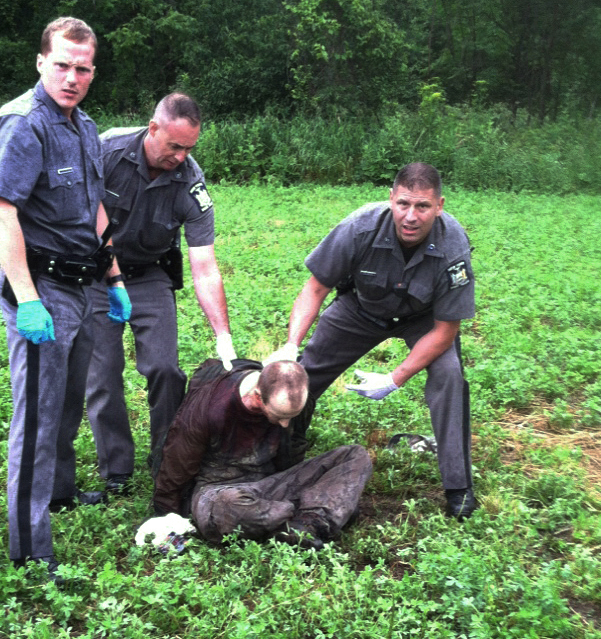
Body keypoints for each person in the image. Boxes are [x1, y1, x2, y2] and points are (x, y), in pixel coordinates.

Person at [0, 17, 131, 578]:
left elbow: (95, 207)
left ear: (93, 71)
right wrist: (26, 298)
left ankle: (62, 492)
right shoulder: (24, 124)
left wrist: (114, 277)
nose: (72, 77)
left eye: (83, 68)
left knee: (70, 401)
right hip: (41, 287)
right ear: (41, 61)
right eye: (63, 64)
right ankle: (28, 549)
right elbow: (2, 212)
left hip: (84, 284)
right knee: (38, 418)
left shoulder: (83, 126)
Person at [267, 163, 478, 520]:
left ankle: (458, 486)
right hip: (361, 310)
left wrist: (395, 378)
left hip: (423, 320)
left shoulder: (453, 247)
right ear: (391, 199)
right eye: (404, 204)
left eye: (423, 207)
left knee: (449, 377)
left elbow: (445, 331)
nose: (411, 216)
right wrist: (290, 345)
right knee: (303, 372)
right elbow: (316, 287)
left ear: (439, 205)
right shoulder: (359, 227)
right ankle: (282, 449)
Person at [84, 93, 236, 495]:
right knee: (102, 375)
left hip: (149, 274)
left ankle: (166, 462)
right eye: (174, 146)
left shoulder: (191, 182)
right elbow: (76, 210)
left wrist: (223, 337)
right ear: (153, 128)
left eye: (189, 148)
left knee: (165, 370)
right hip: (99, 273)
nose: (181, 157)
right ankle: (116, 470)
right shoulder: (107, 151)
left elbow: (204, 265)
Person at [153, 358, 372, 549]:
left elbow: (294, 452)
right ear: (257, 396)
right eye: (279, 416)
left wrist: (299, 482)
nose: (286, 424)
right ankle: (310, 517)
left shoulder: (297, 404)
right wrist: (166, 517)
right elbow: (176, 464)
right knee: (229, 507)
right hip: (219, 491)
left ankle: (300, 524)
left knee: (355, 455)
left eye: (291, 417)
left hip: (271, 484)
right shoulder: (210, 408)